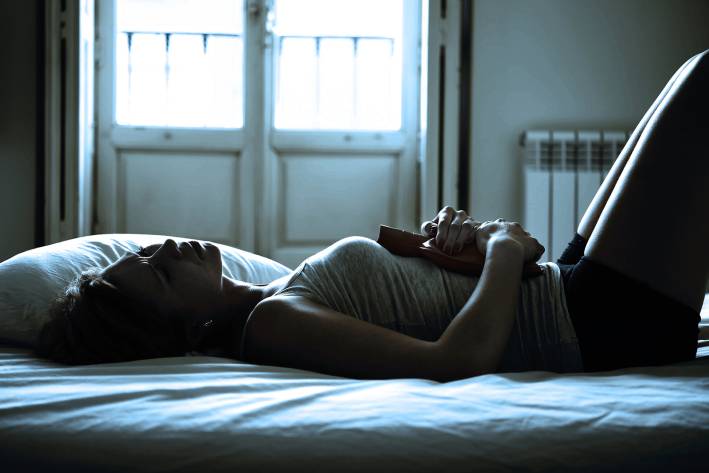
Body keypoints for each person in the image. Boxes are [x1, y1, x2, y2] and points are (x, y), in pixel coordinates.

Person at [36, 50, 709, 381]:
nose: (167, 248)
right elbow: (452, 360)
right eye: (158, 274)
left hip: (568, 290)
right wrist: (502, 251)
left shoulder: (278, 292)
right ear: (180, 328)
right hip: (598, 323)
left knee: (691, 76)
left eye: (150, 252)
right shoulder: (268, 324)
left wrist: (463, 245)